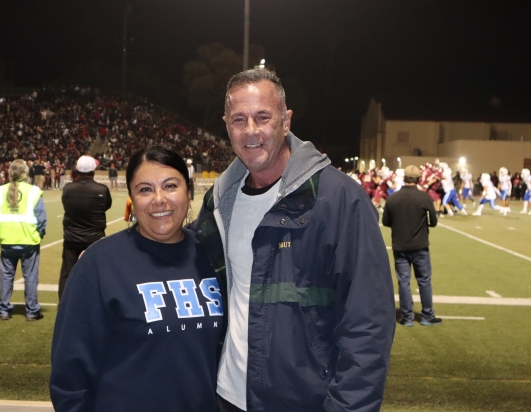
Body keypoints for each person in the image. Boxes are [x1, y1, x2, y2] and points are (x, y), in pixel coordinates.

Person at [193, 69, 395, 412]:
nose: (251, 131)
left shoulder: (339, 200)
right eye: (239, 119)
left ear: (286, 121)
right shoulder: (220, 200)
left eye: (263, 117)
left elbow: (368, 324)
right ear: (226, 124)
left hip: (303, 401)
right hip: (225, 396)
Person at [50, 147, 225, 412]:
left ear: (188, 193)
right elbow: (69, 375)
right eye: (145, 189)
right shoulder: (99, 263)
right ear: (131, 199)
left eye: (170, 186)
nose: (159, 199)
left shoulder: (215, 256)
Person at [382, 165, 442, 327]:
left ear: (404, 178)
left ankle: (407, 317)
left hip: (400, 246)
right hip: (420, 245)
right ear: (418, 179)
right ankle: (427, 315)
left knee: (404, 282)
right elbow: (434, 222)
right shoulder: (424, 197)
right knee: (424, 281)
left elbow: (385, 221)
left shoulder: (393, 198)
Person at [0, 159, 46, 321]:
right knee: (30, 276)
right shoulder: (33, 191)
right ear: (25, 173)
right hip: (29, 240)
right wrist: (38, 234)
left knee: (6, 276)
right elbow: (41, 219)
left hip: (7, 240)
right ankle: (31, 311)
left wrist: (1, 233)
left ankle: (4, 310)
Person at [58, 155, 112, 300]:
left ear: (77, 169)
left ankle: (64, 306)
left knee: (67, 275)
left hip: (71, 239)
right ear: (93, 170)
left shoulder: (68, 189)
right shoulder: (101, 189)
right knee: (97, 275)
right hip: (95, 239)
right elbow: (106, 206)